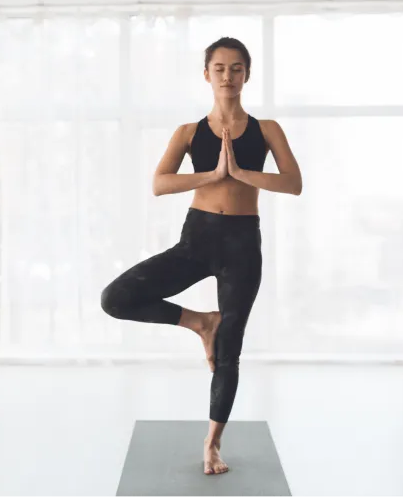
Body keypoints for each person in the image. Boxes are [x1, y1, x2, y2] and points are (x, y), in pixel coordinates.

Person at [100, 37, 302, 475]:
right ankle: (199, 321)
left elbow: (292, 183)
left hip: (242, 246)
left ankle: (212, 444)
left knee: (228, 352)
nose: (227, 76)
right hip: (197, 240)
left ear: (247, 74)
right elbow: (159, 183)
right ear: (206, 74)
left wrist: (241, 173)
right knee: (115, 299)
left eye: (236, 68)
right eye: (219, 68)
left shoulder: (267, 129)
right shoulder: (189, 133)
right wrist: (211, 174)